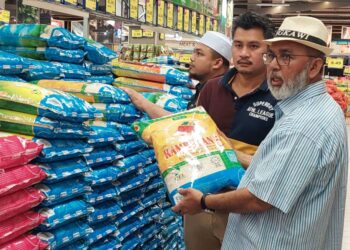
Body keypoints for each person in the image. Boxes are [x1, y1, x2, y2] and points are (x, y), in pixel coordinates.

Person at [173, 15, 348, 250]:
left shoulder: (303, 125)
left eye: (286, 56)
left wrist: (204, 201)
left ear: (314, 66)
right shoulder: (319, 108)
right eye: (273, 55)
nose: (274, 65)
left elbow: (259, 198)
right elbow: (278, 169)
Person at [183, 12, 276, 250]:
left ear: (268, 50)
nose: (244, 53)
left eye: (254, 46)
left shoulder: (279, 95)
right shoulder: (212, 88)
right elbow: (194, 137)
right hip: (202, 205)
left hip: (248, 211)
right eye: (238, 45)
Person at [121, 31, 231, 119]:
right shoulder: (204, 88)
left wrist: (144, 104)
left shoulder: (219, 95)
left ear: (217, 63)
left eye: (199, 54)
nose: (192, 58)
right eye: (194, 52)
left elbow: (190, 126)